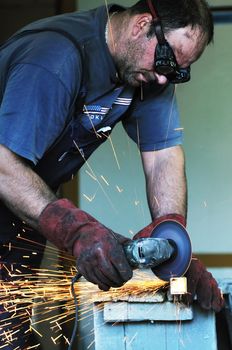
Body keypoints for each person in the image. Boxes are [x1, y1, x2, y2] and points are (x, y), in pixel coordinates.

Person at [0, 0, 224, 348]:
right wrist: (77, 230)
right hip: (11, 185)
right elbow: (3, 166)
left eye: (179, 71)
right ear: (142, 24)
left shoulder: (148, 75)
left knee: (10, 332)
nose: (166, 77)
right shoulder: (55, 58)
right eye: (166, 62)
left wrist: (172, 235)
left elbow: (163, 155)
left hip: (21, 214)